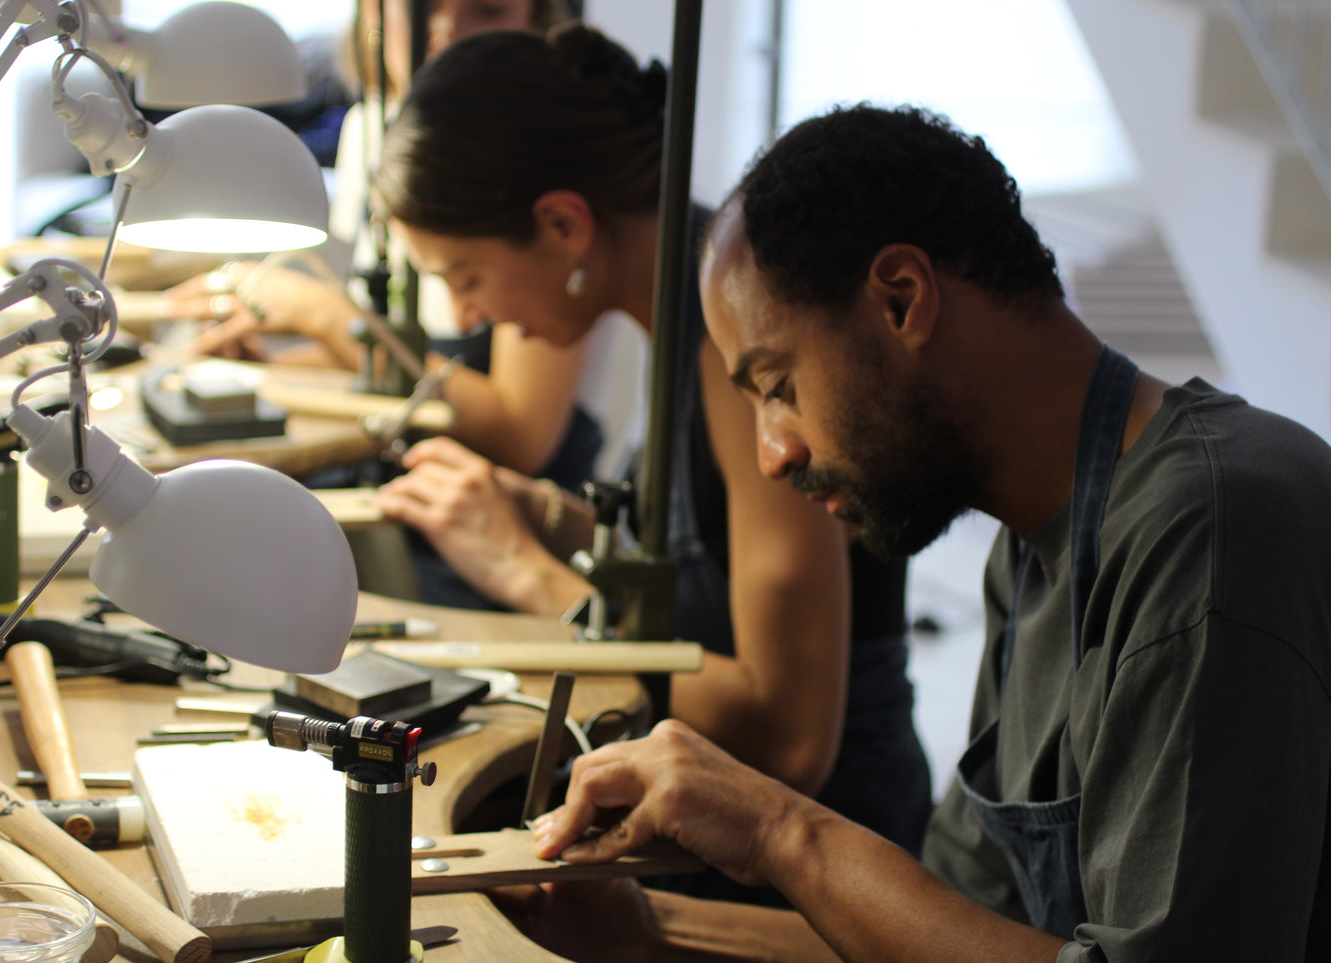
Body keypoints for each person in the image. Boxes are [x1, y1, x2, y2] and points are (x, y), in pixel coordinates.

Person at [516, 103, 1331, 960]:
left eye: (777, 383)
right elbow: (946, 927)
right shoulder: (1034, 545)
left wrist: (782, 831)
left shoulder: (1214, 527)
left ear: (900, 299)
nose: (771, 453)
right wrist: (649, 932)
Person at [369, 23, 934, 901]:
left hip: (818, 879)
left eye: (464, 273)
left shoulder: (734, 346)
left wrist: (529, 572)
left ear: (561, 225)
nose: (465, 312)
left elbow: (787, 735)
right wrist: (542, 511)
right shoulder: (680, 312)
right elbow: (702, 557)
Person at [163, 0, 605, 490]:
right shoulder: (371, 129)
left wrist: (325, 315)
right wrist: (267, 372)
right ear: (371, 13)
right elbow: (379, 366)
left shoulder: (548, 165)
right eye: (422, 9)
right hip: (395, 476)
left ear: (536, 23)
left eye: (487, 10)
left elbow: (521, 436)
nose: (447, 33)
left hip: (502, 503)